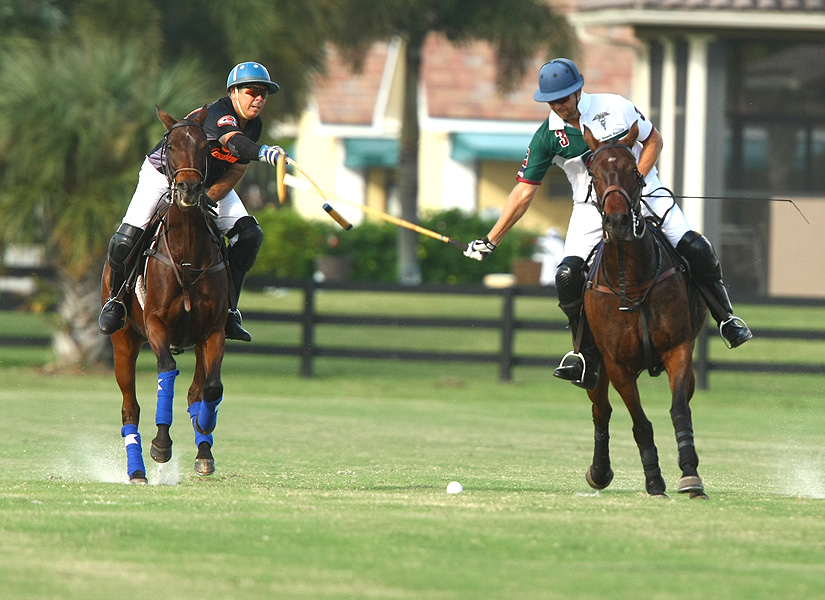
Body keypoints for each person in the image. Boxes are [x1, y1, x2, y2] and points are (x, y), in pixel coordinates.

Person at [464, 58, 752, 390]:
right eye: (552, 101)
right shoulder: (547, 137)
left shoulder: (615, 107)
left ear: (578, 90)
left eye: (563, 98)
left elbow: (653, 140)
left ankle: (726, 317)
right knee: (567, 275)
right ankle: (584, 354)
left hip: (642, 190)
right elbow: (524, 190)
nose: (558, 106)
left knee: (694, 246)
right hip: (589, 207)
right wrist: (491, 239)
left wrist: (637, 180)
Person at [98, 61, 287, 342]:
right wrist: (262, 152)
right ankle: (115, 302)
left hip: (207, 184)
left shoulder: (254, 125)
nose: (258, 98)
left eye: (263, 94)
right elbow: (233, 142)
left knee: (249, 235)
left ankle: (229, 311)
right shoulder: (219, 114)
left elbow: (236, 167)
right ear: (233, 92)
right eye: (252, 91)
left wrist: (209, 198)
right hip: (164, 175)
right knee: (126, 238)